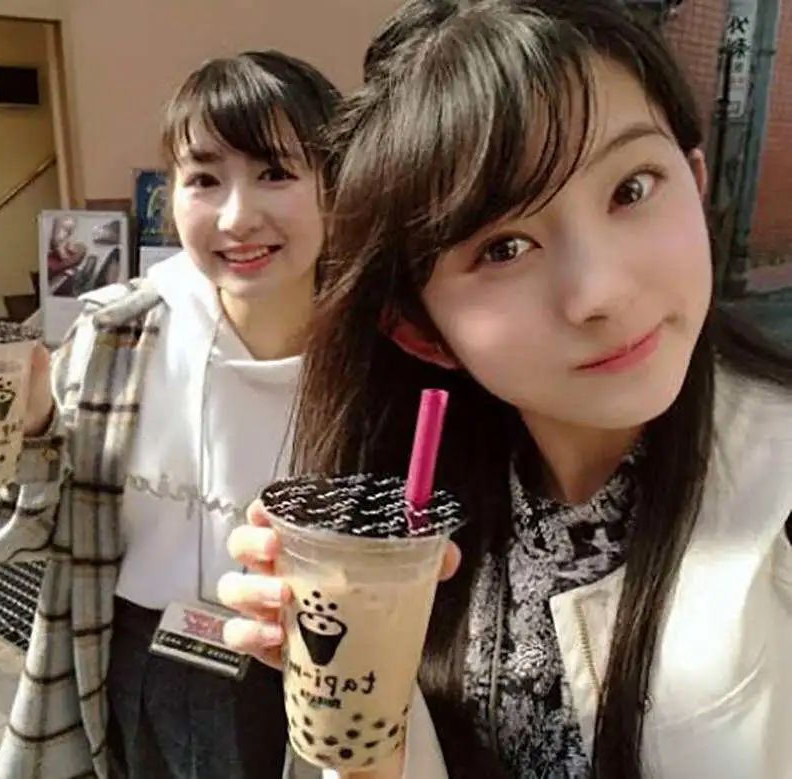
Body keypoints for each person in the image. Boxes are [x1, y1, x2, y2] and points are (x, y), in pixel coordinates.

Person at [218, 3, 792, 778]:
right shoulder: (426, 509)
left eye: (632, 188)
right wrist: (360, 724)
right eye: (504, 247)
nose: (599, 291)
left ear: (693, 181)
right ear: (421, 332)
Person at [0, 50, 339, 779]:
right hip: (138, 659)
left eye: (275, 172)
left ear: (337, 183)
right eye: (204, 179)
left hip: (314, 664)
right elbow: (3, 542)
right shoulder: (116, 335)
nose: (237, 216)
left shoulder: (384, 359)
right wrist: (29, 427)